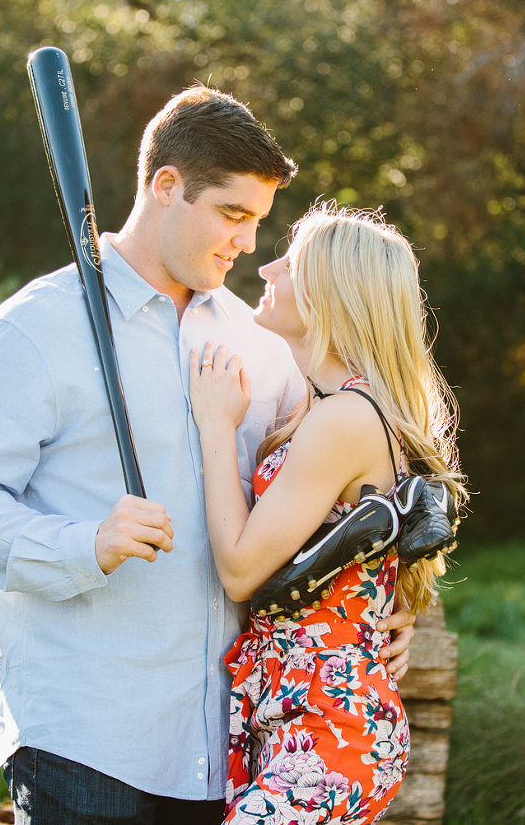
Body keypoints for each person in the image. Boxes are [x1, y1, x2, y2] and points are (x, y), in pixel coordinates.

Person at [0, 87, 417, 825]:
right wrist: (82, 543)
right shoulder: (36, 329)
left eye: (257, 222)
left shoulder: (260, 343)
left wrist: (392, 601)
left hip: (230, 743)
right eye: (233, 215)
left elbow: (336, 492)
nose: (247, 243)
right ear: (166, 187)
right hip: (90, 737)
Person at [188, 204, 466, 824]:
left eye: (292, 261)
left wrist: (214, 427)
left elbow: (239, 571)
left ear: (332, 293)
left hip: (326, 730)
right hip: (297, 715)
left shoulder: (344, 419)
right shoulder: (333, 407)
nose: (268, 265)